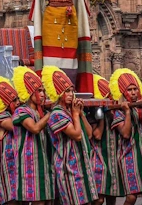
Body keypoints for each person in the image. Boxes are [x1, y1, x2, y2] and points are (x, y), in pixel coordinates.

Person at [42, 65, 98, 205]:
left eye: (72, 91)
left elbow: (89, 134)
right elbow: (77, 135)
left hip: (82, 166)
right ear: (58, 93)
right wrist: (75, 114)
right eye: (66, 91)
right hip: (68, 169)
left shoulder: (73, 111)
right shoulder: (56, 114)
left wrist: (80, 114)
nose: (70, 95)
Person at [12, 66, 55, 205]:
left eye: (43, 91)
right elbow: (35, 128)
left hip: (43, 162)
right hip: (29, 165)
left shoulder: (41, 112)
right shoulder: (22, 111)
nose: (43, 94)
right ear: (30, 93)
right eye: (39, 91)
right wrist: (51, 113)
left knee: (45, 201)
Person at [109, 69, 142, 205]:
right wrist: (127, 112)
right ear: (123, 92)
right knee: (131, 197)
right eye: (129, 90)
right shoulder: (118, 112)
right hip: (128, 157)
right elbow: (126, 134)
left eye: (135, 89)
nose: (133, 93)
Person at [89, 75, 124, 205]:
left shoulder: (116, 113)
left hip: (113, 159)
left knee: (111, 197)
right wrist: (101, 115)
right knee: (99, 199)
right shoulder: (92, 114)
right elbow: (97, 134)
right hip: (98, 158)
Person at [0, 76, 20, 205]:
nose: (18, 102)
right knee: (10, 199)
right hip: (5, 166)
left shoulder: (11, 114)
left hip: (14, 164)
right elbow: (17, 127)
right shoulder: (0, 117)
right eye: (14, 100)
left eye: (18, 99)